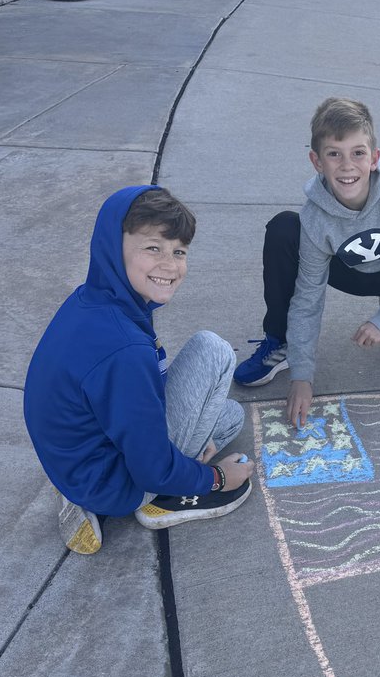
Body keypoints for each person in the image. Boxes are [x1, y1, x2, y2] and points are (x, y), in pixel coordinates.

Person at [24, 185, 255, 554]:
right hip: (118, 483)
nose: (170, 264)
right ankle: (160, 502)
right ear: (114, 247)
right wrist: (215, 477)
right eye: (153, 248)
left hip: (72, 457)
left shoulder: (92, 298)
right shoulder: (125, 349)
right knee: (215, 351)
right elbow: (151, 468)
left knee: (228, 416)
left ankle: (73, 489)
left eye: (178, 251)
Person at [233, 97, 380, 427]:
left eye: (358, 152)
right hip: (345, 270)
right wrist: (302, 376)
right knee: (285, 227)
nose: (346, 165)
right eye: (333, 154)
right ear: (316, 161)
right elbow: (308, 300)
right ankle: (281, 341)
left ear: (374, 158)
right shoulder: (315, 217)